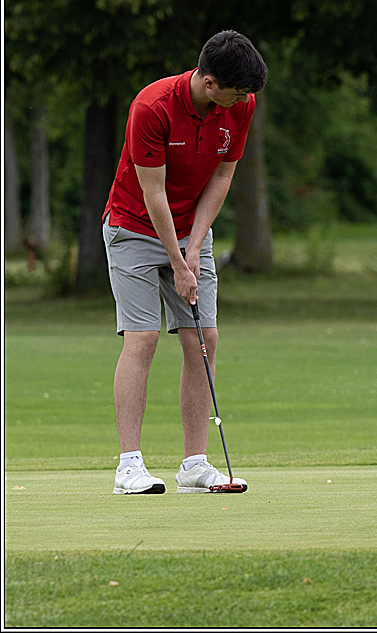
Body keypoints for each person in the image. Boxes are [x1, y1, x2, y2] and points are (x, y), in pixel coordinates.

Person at [102, 30, 268, 494]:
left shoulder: (241, 106)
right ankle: (129, 467)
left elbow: (223, 175)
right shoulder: (151, 107)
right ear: (210, 82)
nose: (241, 102)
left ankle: (194, 465)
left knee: (204, 337)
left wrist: (194, 247)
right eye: (236, 93)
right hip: (134, 228)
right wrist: (178, 261)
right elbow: (152, 193)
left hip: (191, 228)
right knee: (143, 338)